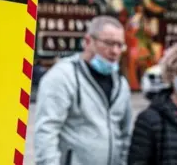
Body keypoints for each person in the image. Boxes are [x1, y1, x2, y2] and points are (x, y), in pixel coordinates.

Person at [34, 15, 133, 165]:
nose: (115, 51)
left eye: (120, 45)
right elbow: (46, 131)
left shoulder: (121, 84)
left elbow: (126, 134)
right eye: (108, 43)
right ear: (88, 41)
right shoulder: (63, 76)